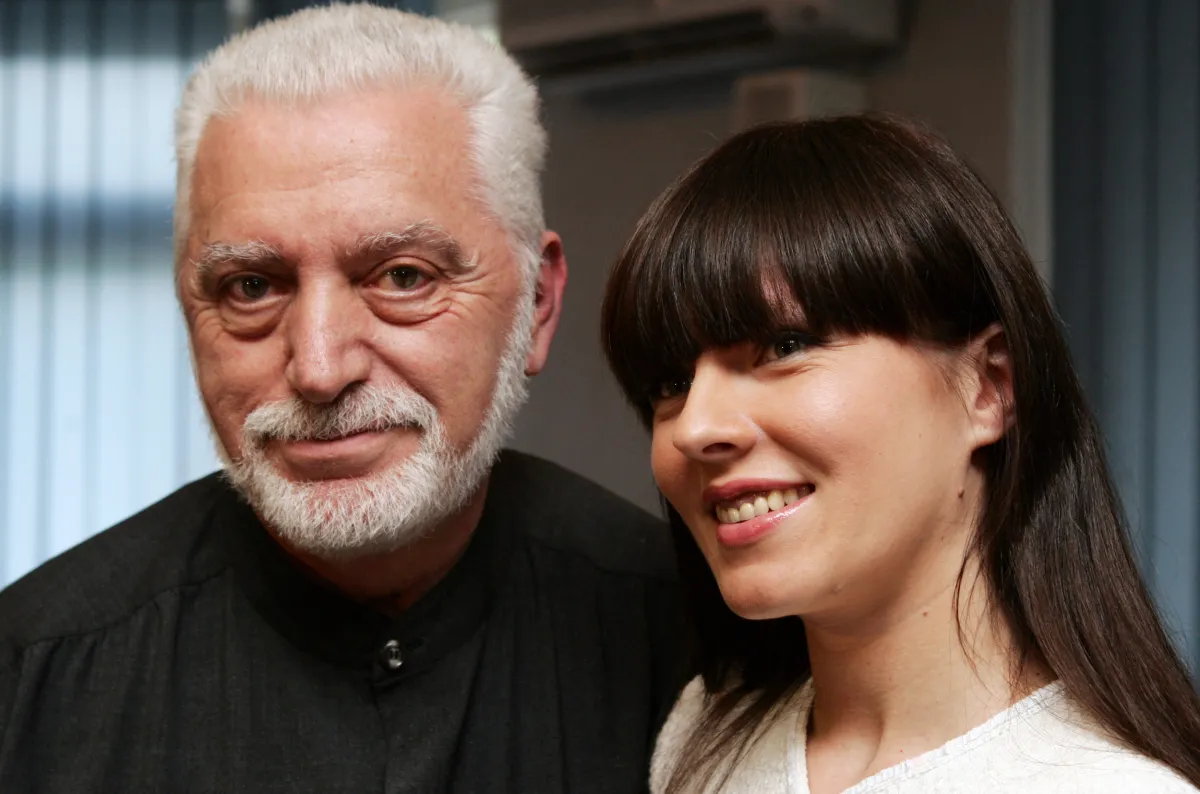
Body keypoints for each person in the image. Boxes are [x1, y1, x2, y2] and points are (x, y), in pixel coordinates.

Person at [0, 5, 683, 792]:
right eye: (251, 286)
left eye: (402, 277)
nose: (320, 369)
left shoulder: (701, 652)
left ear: (535, 305)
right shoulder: (34, 684)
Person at [600, 115, 1200, 793]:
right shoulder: (706, 739)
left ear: (987, 387)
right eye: (670, 385)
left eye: (786, 346)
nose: (694, 427)